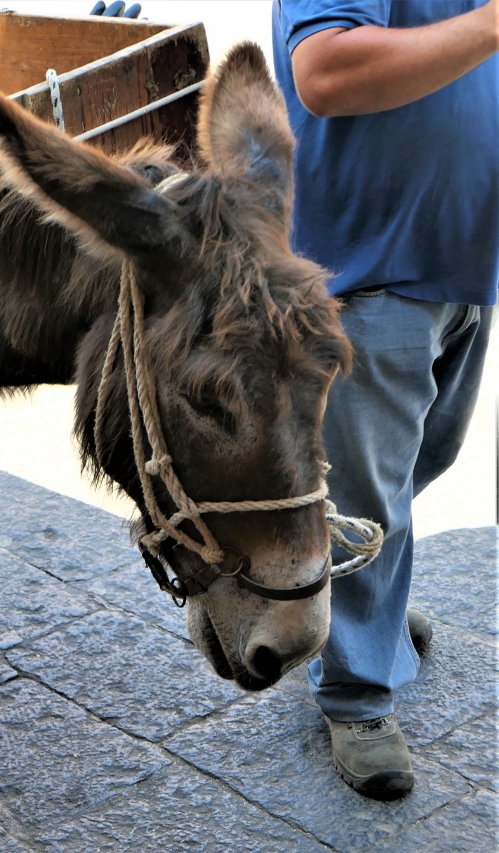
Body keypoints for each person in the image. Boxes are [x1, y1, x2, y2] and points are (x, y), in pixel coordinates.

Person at [273, 0, 497, 800]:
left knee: (422, 459)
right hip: (373, 267)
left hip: (466, 257)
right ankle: (355, 691)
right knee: (368, 491)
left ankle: (367, 601)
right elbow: (325, 72)